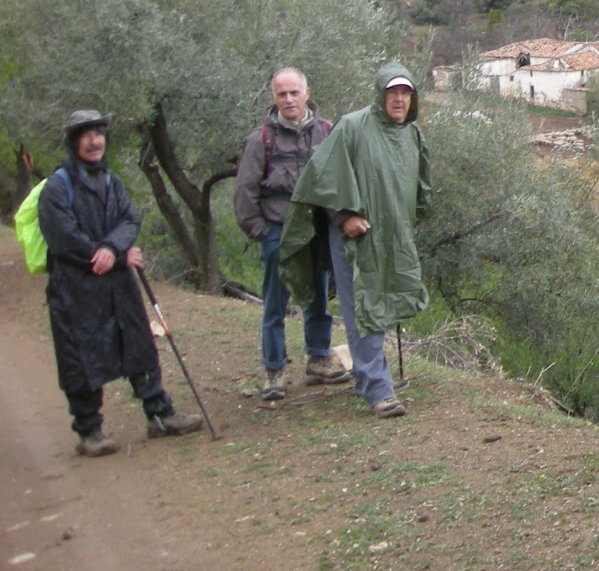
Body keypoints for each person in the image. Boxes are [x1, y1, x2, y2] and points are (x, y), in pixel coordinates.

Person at [37, 109, 205, 456]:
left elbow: (130, 219)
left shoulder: (111, 180)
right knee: (80, 357)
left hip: (116, 283)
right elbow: (62, 236)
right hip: (75, 288)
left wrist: (113, 249)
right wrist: (104, 253)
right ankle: (89, 431)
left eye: (98, 134)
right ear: (73, 142)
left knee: (138, 344)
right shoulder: (58, 186)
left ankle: (160, 414)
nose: (93, 141)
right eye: (84, 135)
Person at [279, 63, 429, 419]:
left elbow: (418, 186)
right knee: (365, 307)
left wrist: (409, 223)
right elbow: (319, 179)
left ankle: (367, 378)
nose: (398, 99)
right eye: (392, 92)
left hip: (394, 236)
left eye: (405, 93)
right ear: (380, 95)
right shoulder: (352, 127)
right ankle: (379, 390)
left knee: (387, 300)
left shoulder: (412, 135)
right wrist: (342, 217)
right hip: (356, 238)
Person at [233, 67, 350, 401]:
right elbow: (245, 190)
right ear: (274, 98)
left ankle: (319, 359)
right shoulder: (261, 139)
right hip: (277, 232)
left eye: (294, 92)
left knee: (317, 297)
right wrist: (259, 231)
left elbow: (338, 180)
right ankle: (273, 371)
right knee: (275, 303)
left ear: (306, 94)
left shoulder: (327, 132)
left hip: (315, 233)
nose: (288, 99)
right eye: (282, 94)